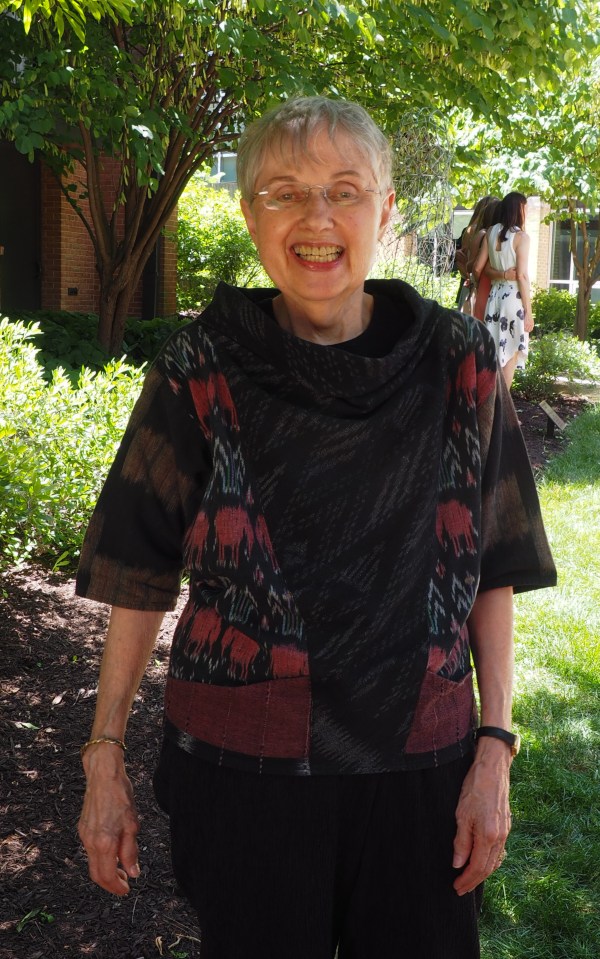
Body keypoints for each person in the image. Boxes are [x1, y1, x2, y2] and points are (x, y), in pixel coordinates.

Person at [76, 97, 556, 959]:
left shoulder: (461, 363)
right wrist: (103, 753)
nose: (317, 219)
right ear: (248, 210)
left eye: (345, 190)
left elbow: (494, 561)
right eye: (284, 192)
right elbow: (136, 568)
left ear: (387, 210)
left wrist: (495, 749)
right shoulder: (200, 366)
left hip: (423, 778)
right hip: (241, 778)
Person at [474, 192, 533, 388]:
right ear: (519, 210)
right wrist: (529, 312)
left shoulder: (491, 232)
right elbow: (522, 276)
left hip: (495, 299)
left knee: (495, 354)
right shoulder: (521, 237)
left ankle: (491, 408)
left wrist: (501, 274)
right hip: (514, 301)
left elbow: (479, 268)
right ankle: (503, 412)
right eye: (525, 208)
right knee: (511, 355)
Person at [454, 196, 498, 313]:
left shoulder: (486, 232)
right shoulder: (475, 231)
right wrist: (472, 279)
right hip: (474, 286)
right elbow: (462, 261)